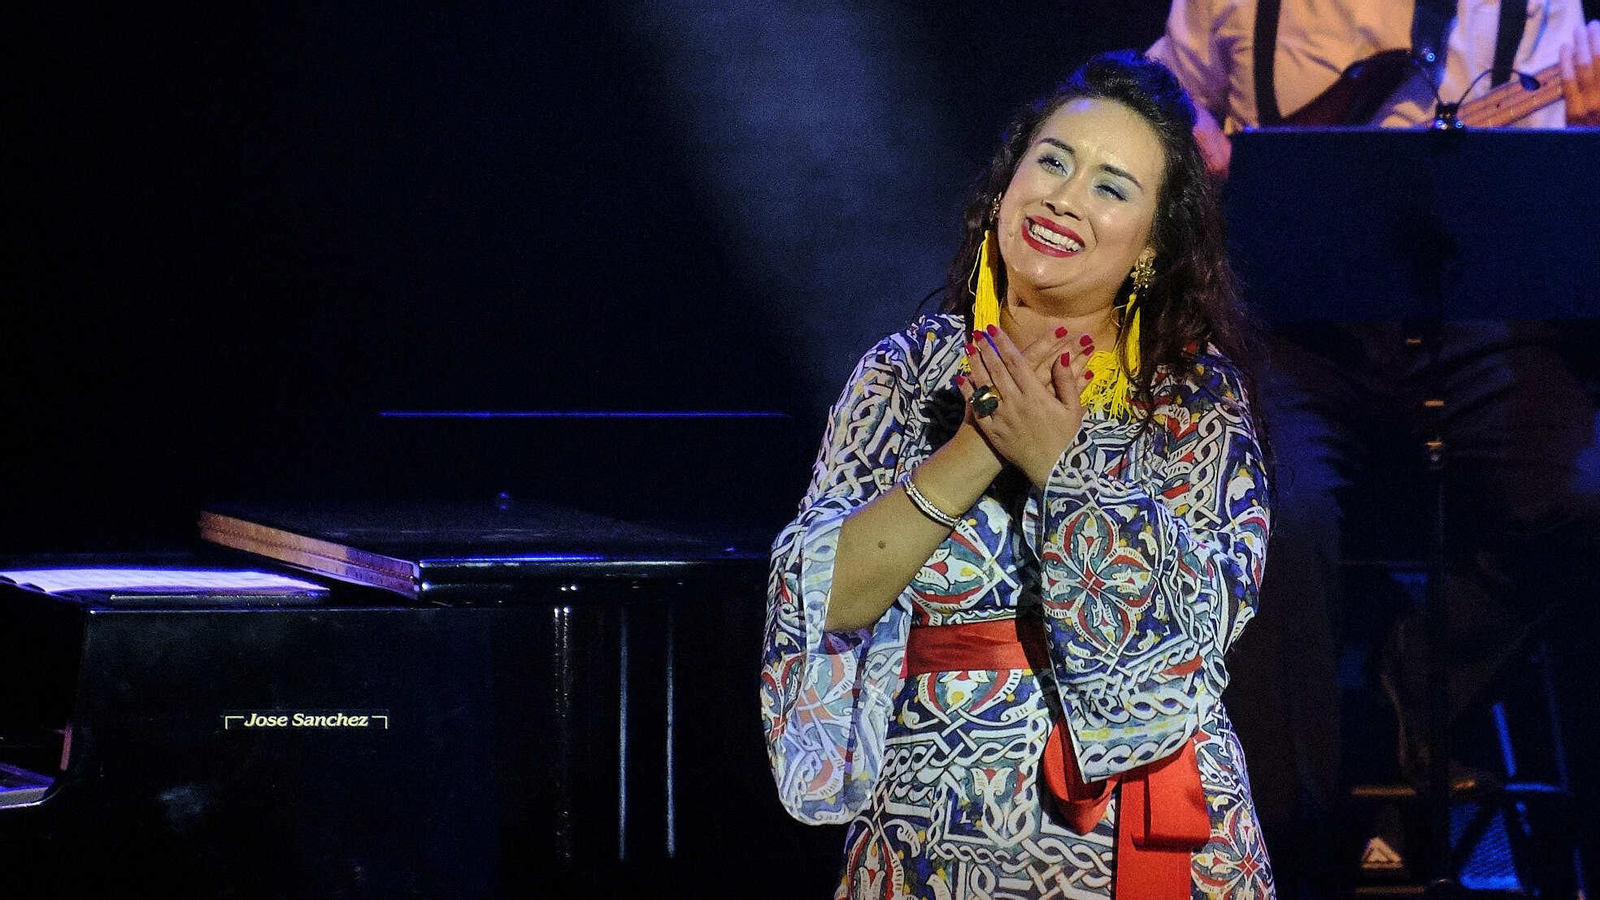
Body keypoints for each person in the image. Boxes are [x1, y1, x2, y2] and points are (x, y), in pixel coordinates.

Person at [760, 52, 1275, 898]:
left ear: (1150, 248)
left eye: (1112, 187)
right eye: (1053, 161)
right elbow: (822, 601)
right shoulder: (903, 373)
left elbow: (1197, 635)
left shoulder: (1194, 396)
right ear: (1006, 186)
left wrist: (1058, 465)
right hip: (935, 833)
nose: (1066, 198)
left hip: (1145, 839)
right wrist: (979, 445)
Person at [1146, 1, 1600, 893]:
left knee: (1589, 495)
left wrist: (1582, 121)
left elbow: (1562, 147)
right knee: (1275, 522)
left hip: (1477, 324)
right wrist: (1189, 130)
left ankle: (1412, 687)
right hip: (1290, 333)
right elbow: (1162, 79)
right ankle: (1288, 844)